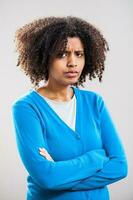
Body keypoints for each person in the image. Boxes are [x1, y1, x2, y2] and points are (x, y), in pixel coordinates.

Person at [12, 16, 128, 200]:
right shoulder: (27, 108)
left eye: (79, 54)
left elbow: (120, 167)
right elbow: (46, 177)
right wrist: (96, 158)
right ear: (44, 57)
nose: (72, 62)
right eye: (61, 54)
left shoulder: (94, 103)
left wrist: (60, 175)